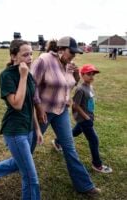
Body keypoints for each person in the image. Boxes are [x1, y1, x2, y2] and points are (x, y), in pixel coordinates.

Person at [30, 36, 101, 196]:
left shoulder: (68, 64)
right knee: (28, 146)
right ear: (60, 49)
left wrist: (76, 76)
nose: (74, 56)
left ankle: (84, 186)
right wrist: (39, 107)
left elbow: (68, 84)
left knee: (69, 148)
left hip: (61, 110)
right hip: (44, 111)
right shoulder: (44, 60)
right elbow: (31, 84)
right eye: (72, 52)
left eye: (76, 53)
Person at [0, 39, 43, 200]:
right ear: (13, 56)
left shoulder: (29, 75)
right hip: (15, 131)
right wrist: (23, 77)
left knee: (19, 163)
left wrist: (37, 129)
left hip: (29, 128)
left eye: (31, 54)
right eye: (25, 55)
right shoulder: (7, 76)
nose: (30, 58)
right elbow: (17, 104)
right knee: (31, 178)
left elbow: (30, 104)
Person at [52, 64, 113, 174]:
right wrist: (86, 117)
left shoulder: (90, 86)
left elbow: (89, 103)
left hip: (88, 117)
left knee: (74, 133)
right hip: (84, 119)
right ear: (82, 74)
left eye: (93, 74)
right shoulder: (80, 89)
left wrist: (91, 114)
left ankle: (57, 141)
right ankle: (97, 164)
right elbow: (75, 105)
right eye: (89, 74)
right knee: (94, 140)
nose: (91, 76)